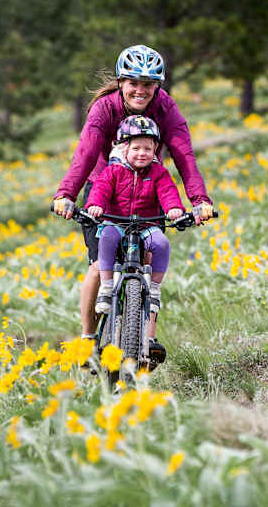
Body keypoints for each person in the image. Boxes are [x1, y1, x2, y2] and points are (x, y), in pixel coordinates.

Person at [53, 44, 214, 341]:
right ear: (120, 83)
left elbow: (184, 155)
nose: (140, 90)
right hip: (105, 187)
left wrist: (199, 200)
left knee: (151, 263)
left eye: (148, 85)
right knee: (96, 266)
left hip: (148, 188)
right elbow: (86, 153)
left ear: (157, 86)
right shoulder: (104, 108)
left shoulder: (165, 107)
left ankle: (147, 341)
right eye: (133, 84)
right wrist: (66, 194)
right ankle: (88, 339)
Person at [85, 115, 183, 347]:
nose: (142, 153)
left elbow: (168, 192)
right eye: (136, 147)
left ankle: (155, 290)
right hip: (116, 222)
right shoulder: (113, 171)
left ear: (155, 149)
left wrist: (174, 209)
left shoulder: (159, 173)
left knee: (162, 244)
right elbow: (100, 188)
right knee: (106, 236)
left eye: (148, 148)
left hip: (147, 224)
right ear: (123, 148)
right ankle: (107, 287)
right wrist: (95, 205)